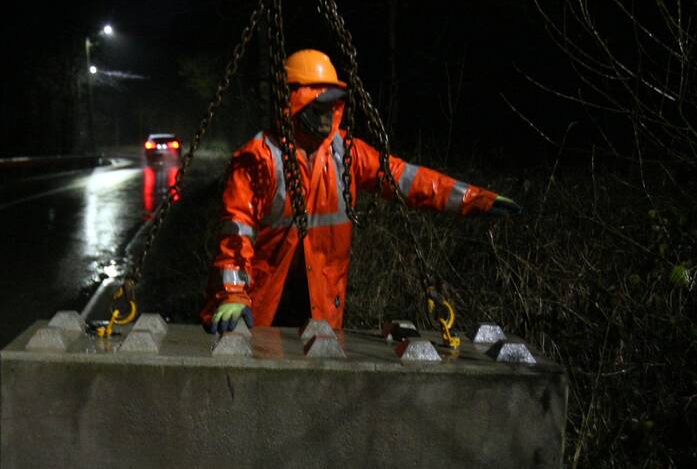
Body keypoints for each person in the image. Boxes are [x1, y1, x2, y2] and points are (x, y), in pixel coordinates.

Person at [202, 49, 521, 334]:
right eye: (320, 106)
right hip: (262, 308)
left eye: (331, 107)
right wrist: (232, 294)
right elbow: (236, 230)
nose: (327, 115)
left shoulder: (346, 153)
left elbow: (408, 180)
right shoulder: (260, 159)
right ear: (295, 103)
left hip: (321, 309)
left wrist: (476, 199)